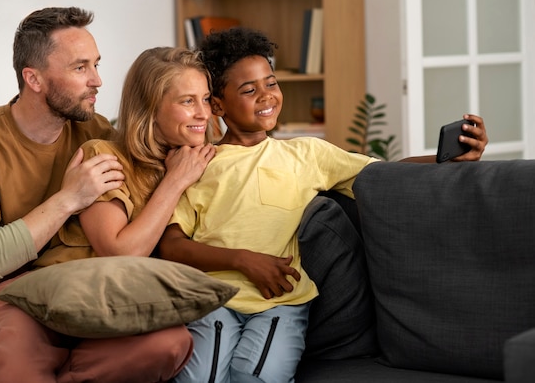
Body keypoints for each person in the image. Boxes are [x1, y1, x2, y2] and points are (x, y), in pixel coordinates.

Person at [157, 26, 488, 383]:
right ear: (218, 105)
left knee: (252, 378)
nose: (266, 96)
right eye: (249, 90)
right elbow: (173, 245)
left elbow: (384, 176)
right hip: (214, 301)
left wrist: (448, 158)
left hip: (280, 305)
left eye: (271, 83)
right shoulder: (198, 163)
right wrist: (242, 260)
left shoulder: (306, 153)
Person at [0, 8, 213, 383]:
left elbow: (150, 145)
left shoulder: (95, 134)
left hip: (15, 304)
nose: (98, 80)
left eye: (96, 64)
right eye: (80, 67)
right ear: (33, 78)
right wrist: (70, 198)